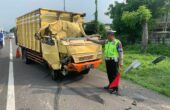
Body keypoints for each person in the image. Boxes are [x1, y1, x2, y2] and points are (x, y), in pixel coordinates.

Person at [87, 30, 123, 94]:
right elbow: (98, 42)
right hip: (108, 60)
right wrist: (90, 39)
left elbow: (121, 53)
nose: (107, 36)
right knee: (109, 74)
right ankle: (110, 85)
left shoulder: (117, 42)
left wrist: (121, 62)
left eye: (108, 35)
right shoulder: (107, 41)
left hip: (114, 61)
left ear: (111, 35)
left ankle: (115, 88)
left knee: (114, 75)